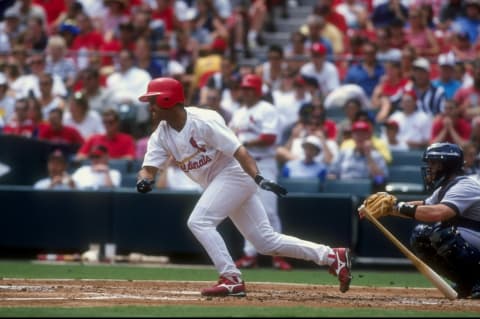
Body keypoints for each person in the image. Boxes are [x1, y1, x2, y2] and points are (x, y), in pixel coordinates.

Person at [136, 77, 352, 297]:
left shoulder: (203, 120)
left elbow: (239, 151)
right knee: (266, 242)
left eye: (153, 100)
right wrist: (144, 180)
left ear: (167, 99)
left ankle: (230, 278)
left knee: (199, 221)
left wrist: (257, 178)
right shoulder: (161, 134)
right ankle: (331, 256)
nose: (150, 106)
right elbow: (148, 168)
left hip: (234, 174)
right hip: (218, 182)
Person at [360, 142, 480, 299]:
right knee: (421, 235)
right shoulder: (446, 187)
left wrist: (397, 207)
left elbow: (438, 213)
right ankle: (467, 283)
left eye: (434, 163)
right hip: (473, 236)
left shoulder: (465, 185)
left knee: (443, 235)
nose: (429, 168)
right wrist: (389, 208)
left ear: (448, 164)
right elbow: (424, 205)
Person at [228, 73, 292, 271]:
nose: (245, 92)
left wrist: (243, 142)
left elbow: (270, 137)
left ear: (257, 91)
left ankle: (278, 255)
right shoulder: (239, 112)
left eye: (249, 89)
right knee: (246, 210)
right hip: (241, 165)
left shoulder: (267, 109)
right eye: (244, 89)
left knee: (269, 211)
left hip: (263, 163)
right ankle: (249, 255)